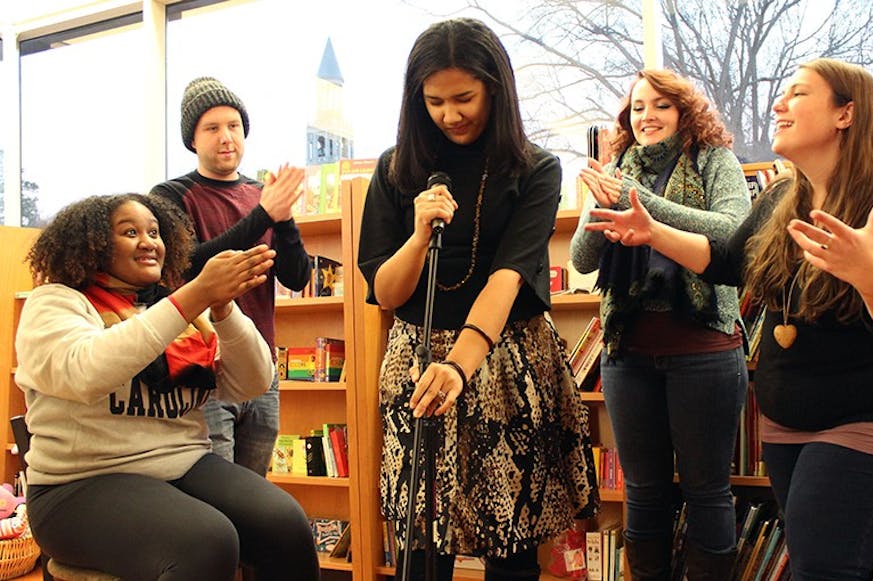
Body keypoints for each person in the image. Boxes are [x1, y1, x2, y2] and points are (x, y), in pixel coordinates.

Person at [584, 58, 873, 580]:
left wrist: (871, 276)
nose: (778, 104)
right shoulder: (784, 195)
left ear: (846, 114)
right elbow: (730, 259)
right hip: (789, 419)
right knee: (810, 555)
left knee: (824, 565)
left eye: (797, 94)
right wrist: (651, 231)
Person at [357, 17, 599, 581]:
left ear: (496, 87)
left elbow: (507, 278)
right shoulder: (397, 169)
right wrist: (418, 235)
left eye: (464, 97)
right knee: (423, 533)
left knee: (510, 536)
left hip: (505, 359)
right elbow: (386, 293)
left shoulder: (535, 168)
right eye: (435, 101)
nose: (451, 114)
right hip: (416, 362)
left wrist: (459, 365)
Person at [16, 193, 320, 580]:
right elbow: (85, 372)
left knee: (285, 523)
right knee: (207, 540)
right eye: (130, 232)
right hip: (78, 484)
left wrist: (224, 311)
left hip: (184, 464)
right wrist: (193, 296)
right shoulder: (56, 302)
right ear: (92, 243)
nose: (148, 242)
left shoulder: (182, 308)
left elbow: (253, 381)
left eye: (155, 232)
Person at [570, 68, 751, 580]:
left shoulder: (715, 161)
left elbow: (734, 234)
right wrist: (604, 201)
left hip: (705, 350)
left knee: (706, 489)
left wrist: (639, 201)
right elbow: (583, 259)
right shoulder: (619, 167)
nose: (647, 116)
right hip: (628, 354)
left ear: (685, 112)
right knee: (643, 492)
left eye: (661, 106)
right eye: (638, 107)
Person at [150, 76, 310, 476]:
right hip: (204, 371)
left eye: (234, 126)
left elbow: (296, 276)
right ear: (192, 139)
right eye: (212, 128)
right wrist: (264, 216)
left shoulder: (263, 194)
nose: (226, 137)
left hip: (262, 368)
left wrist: (284, 220)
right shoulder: (170, 195)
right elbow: (183, 267)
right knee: (216, 491)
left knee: (254, 494)